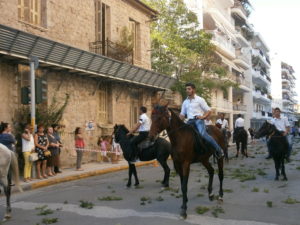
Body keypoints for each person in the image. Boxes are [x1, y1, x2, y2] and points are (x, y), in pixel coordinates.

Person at [179, 83, 224, 158]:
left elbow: (209, 110)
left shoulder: (200, 100)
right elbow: (182, 114)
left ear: (193, 90)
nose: (187, 90)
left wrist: (203, 117)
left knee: (203, 134)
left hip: (198, 120)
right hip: (189, 121)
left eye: (189, 89)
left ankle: (219, 150)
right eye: (186, 89)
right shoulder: (185, 102)